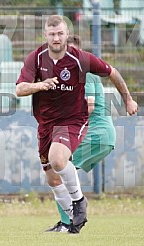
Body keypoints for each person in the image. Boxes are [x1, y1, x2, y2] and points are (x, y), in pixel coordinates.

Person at [16, 15, 138, 234]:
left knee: (58, 159)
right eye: (52, 34)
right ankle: (72, 222)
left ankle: (79, 202)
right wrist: (41, 85)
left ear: (66, 35)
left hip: (72, 120)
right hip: (45, 125)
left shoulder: (80, 59)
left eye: (60, 33)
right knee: (52, 176)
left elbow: (112, 72)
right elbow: (19, 89)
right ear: (46, 35)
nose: (56, 38)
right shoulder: (35, 58)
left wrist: (128, 98)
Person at [45, 34, 117, 232]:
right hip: (93, 134)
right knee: (56, 171)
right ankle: (68, 221)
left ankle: (68, 223)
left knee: (56, 170)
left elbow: (89, 106)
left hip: (96, 133)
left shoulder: (86, 72)